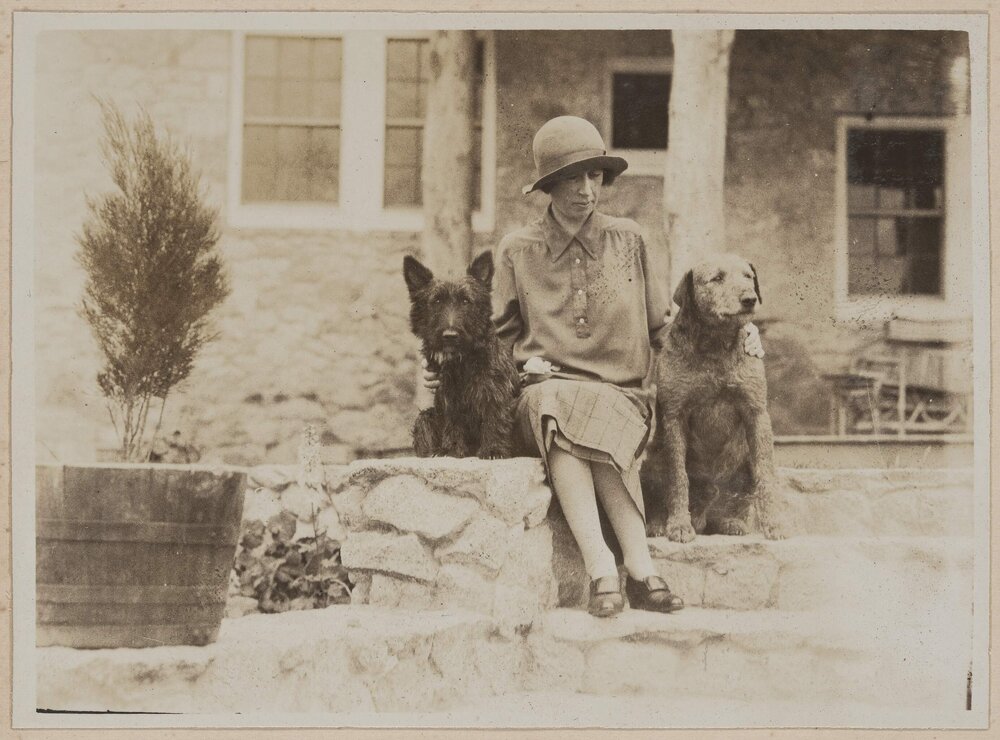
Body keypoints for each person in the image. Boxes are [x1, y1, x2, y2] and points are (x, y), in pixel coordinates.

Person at [424, 116, 763, 617]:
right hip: (542, 392)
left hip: (620, 395)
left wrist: (738, 333)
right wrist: (447, 366)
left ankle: (619, 572)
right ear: (549, 187)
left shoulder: (630, 241)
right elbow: (489, 338)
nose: (587, 190)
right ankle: (626, 568)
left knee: (586, 408)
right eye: (573, 178)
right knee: (555, 399)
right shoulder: (518, 250)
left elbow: (665, 328)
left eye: (596, 177)